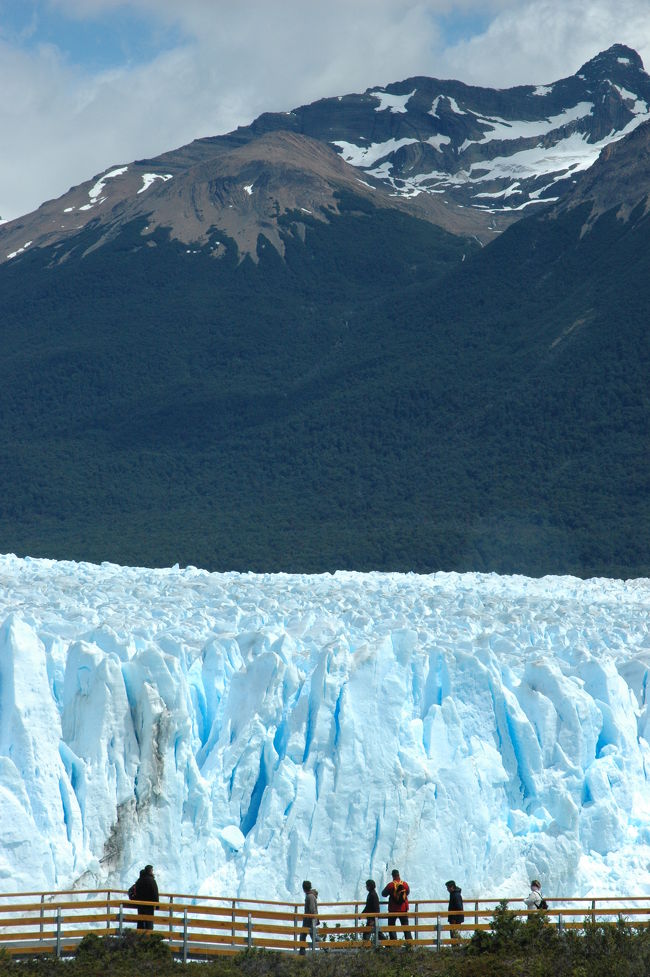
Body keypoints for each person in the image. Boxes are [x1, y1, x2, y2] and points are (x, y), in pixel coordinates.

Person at [382, 869, 411, 940]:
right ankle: (409, 943)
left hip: (393, 909)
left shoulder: (391, 885)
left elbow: (383, 894)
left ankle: (393, 943)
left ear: (392, 876)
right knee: (405, 926)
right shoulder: (405, 884)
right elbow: (408, 892)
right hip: (403, 909)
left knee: (391, 926)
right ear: (399, 875)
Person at [132, 864, 159, 930]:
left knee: (140, 922)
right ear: (149, 871)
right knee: (149, 922)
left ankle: (139, 937)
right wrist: (157, 904)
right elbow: (155, 893)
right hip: (149, 905)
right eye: (152, 870)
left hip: (140, 905)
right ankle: (148, 938)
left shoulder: (139, 880)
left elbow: (136, 891)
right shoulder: (152, 881)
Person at [299, 880, 319, 953]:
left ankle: (326, 947)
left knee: (311, 936)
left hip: (309, 920)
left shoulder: (309, 896)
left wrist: (311, 918)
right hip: (310, 919)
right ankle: (302, 951)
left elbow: (311, 909)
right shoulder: (311, 895)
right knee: (306, 936)